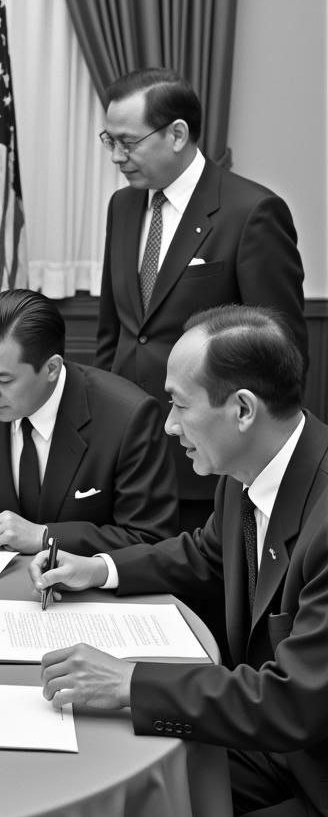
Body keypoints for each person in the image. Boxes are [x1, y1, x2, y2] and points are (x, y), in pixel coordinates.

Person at [33, 306, 328, 817]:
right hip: (278, 750)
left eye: (180, 404)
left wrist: (130, 681)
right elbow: (205, 554)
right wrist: (101, 569)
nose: (168, 425)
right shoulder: (248, 472)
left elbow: (295, 702)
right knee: (127, 807)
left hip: (318, 780)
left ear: (242, 409)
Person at [94, 67, 307, 530]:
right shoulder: (124, 206)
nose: (116, 156)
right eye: (108, 141)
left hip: (209, 466)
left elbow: (281, 351)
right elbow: (117, 331)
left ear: (176, 134)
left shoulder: (250, 212)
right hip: (129, 457)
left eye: (127, 142)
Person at [0, 289, 178, 555]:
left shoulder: (128, 417)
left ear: (51, 368)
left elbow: (150, 538)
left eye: (4, 380)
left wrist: (46, 537)